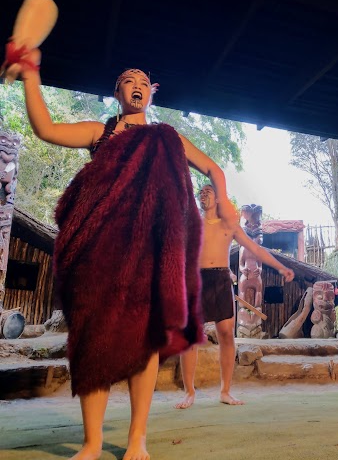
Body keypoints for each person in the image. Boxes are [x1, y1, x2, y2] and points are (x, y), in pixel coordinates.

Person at [13, 47, 238, 460]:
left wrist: (222, 202)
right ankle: (93, 442)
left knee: (146, 340)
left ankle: (137, 438)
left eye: (142, 81)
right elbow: (45, 128)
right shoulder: (100, 134)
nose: (135, 85)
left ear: (151, 92)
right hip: (102, 253)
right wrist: (29, 75)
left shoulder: (167, 137)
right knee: (93, 340)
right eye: (127, 80)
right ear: (117, 91)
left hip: (152, 252)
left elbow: (214, 171)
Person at [175, 184, 295, 409]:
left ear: (218, 199)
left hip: (220, 279)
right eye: (201, 192)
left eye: (208, 192)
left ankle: (225, 391)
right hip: (196, 279)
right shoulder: (191, 223)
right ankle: (189, 393)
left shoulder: (229, 225)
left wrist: (280, 267)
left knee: (226, 334)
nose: (203, 195)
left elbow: (256, 249)